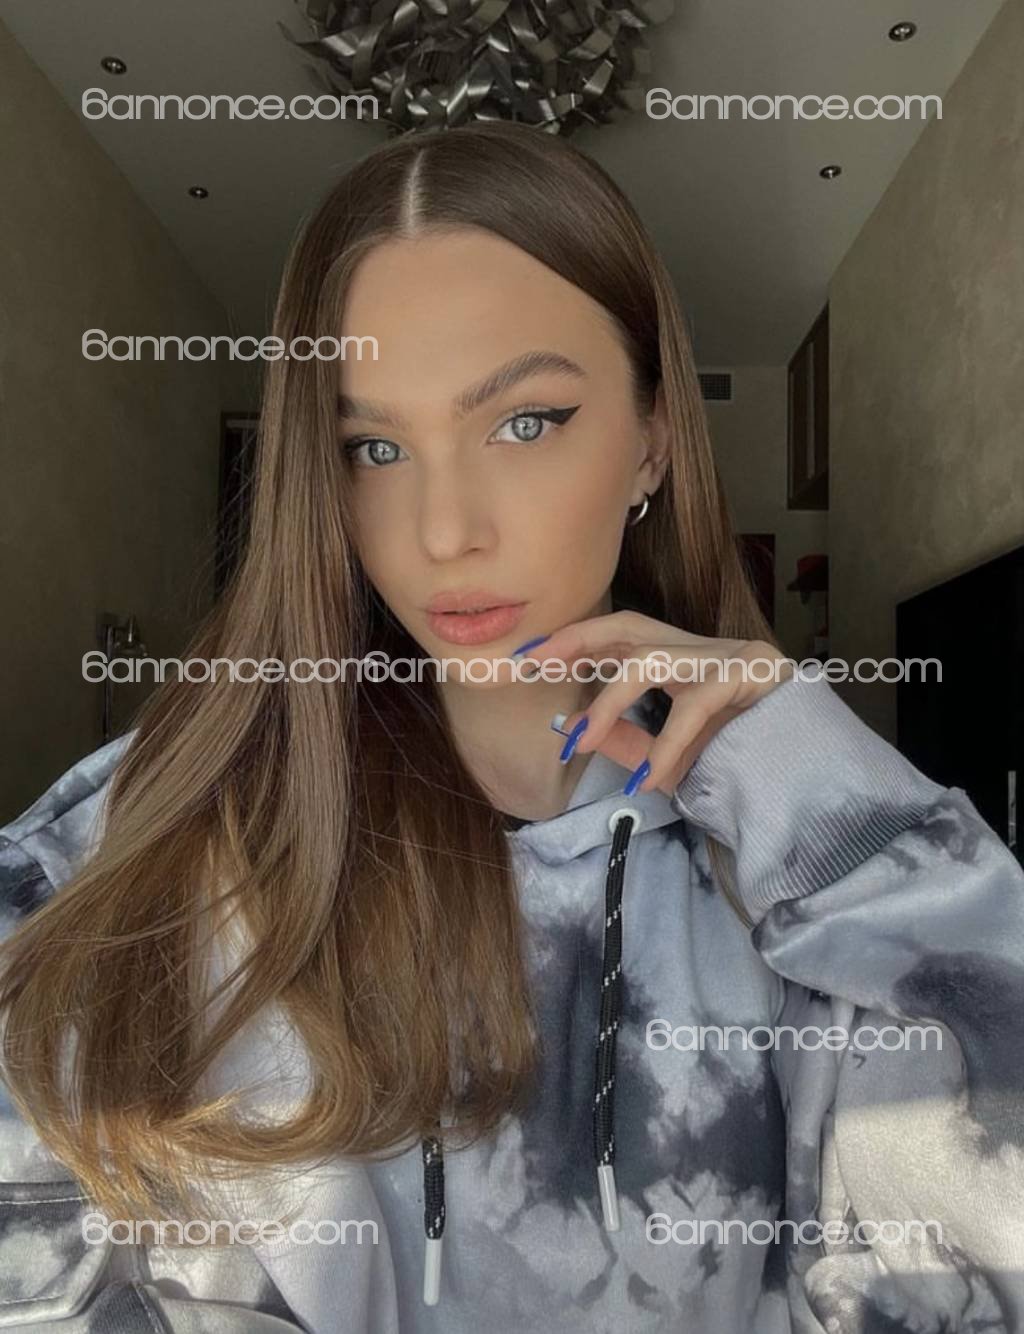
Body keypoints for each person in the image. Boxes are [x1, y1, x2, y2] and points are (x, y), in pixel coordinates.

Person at [1, 121, 1022, 1334]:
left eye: (525, 421)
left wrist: (823, 794)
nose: (445, 531)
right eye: (374, 446)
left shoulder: (798, 859)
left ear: (650, 439)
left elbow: (985, 1249)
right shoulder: (132, 853)